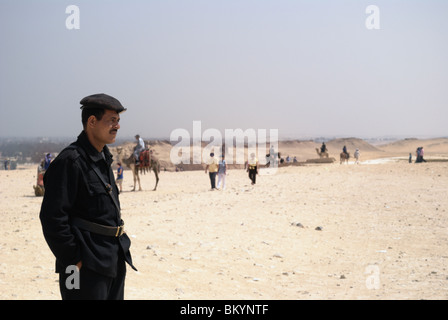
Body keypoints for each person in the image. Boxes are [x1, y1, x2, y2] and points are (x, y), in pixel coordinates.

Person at [39, 93, 136, 300]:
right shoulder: (70, 161)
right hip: (83, 265)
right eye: (112, 120)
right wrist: (73, 259)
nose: (117, 126)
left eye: (118, 121)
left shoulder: (103, 158)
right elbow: (52, 218)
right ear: (92, 121)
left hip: (112, 258)